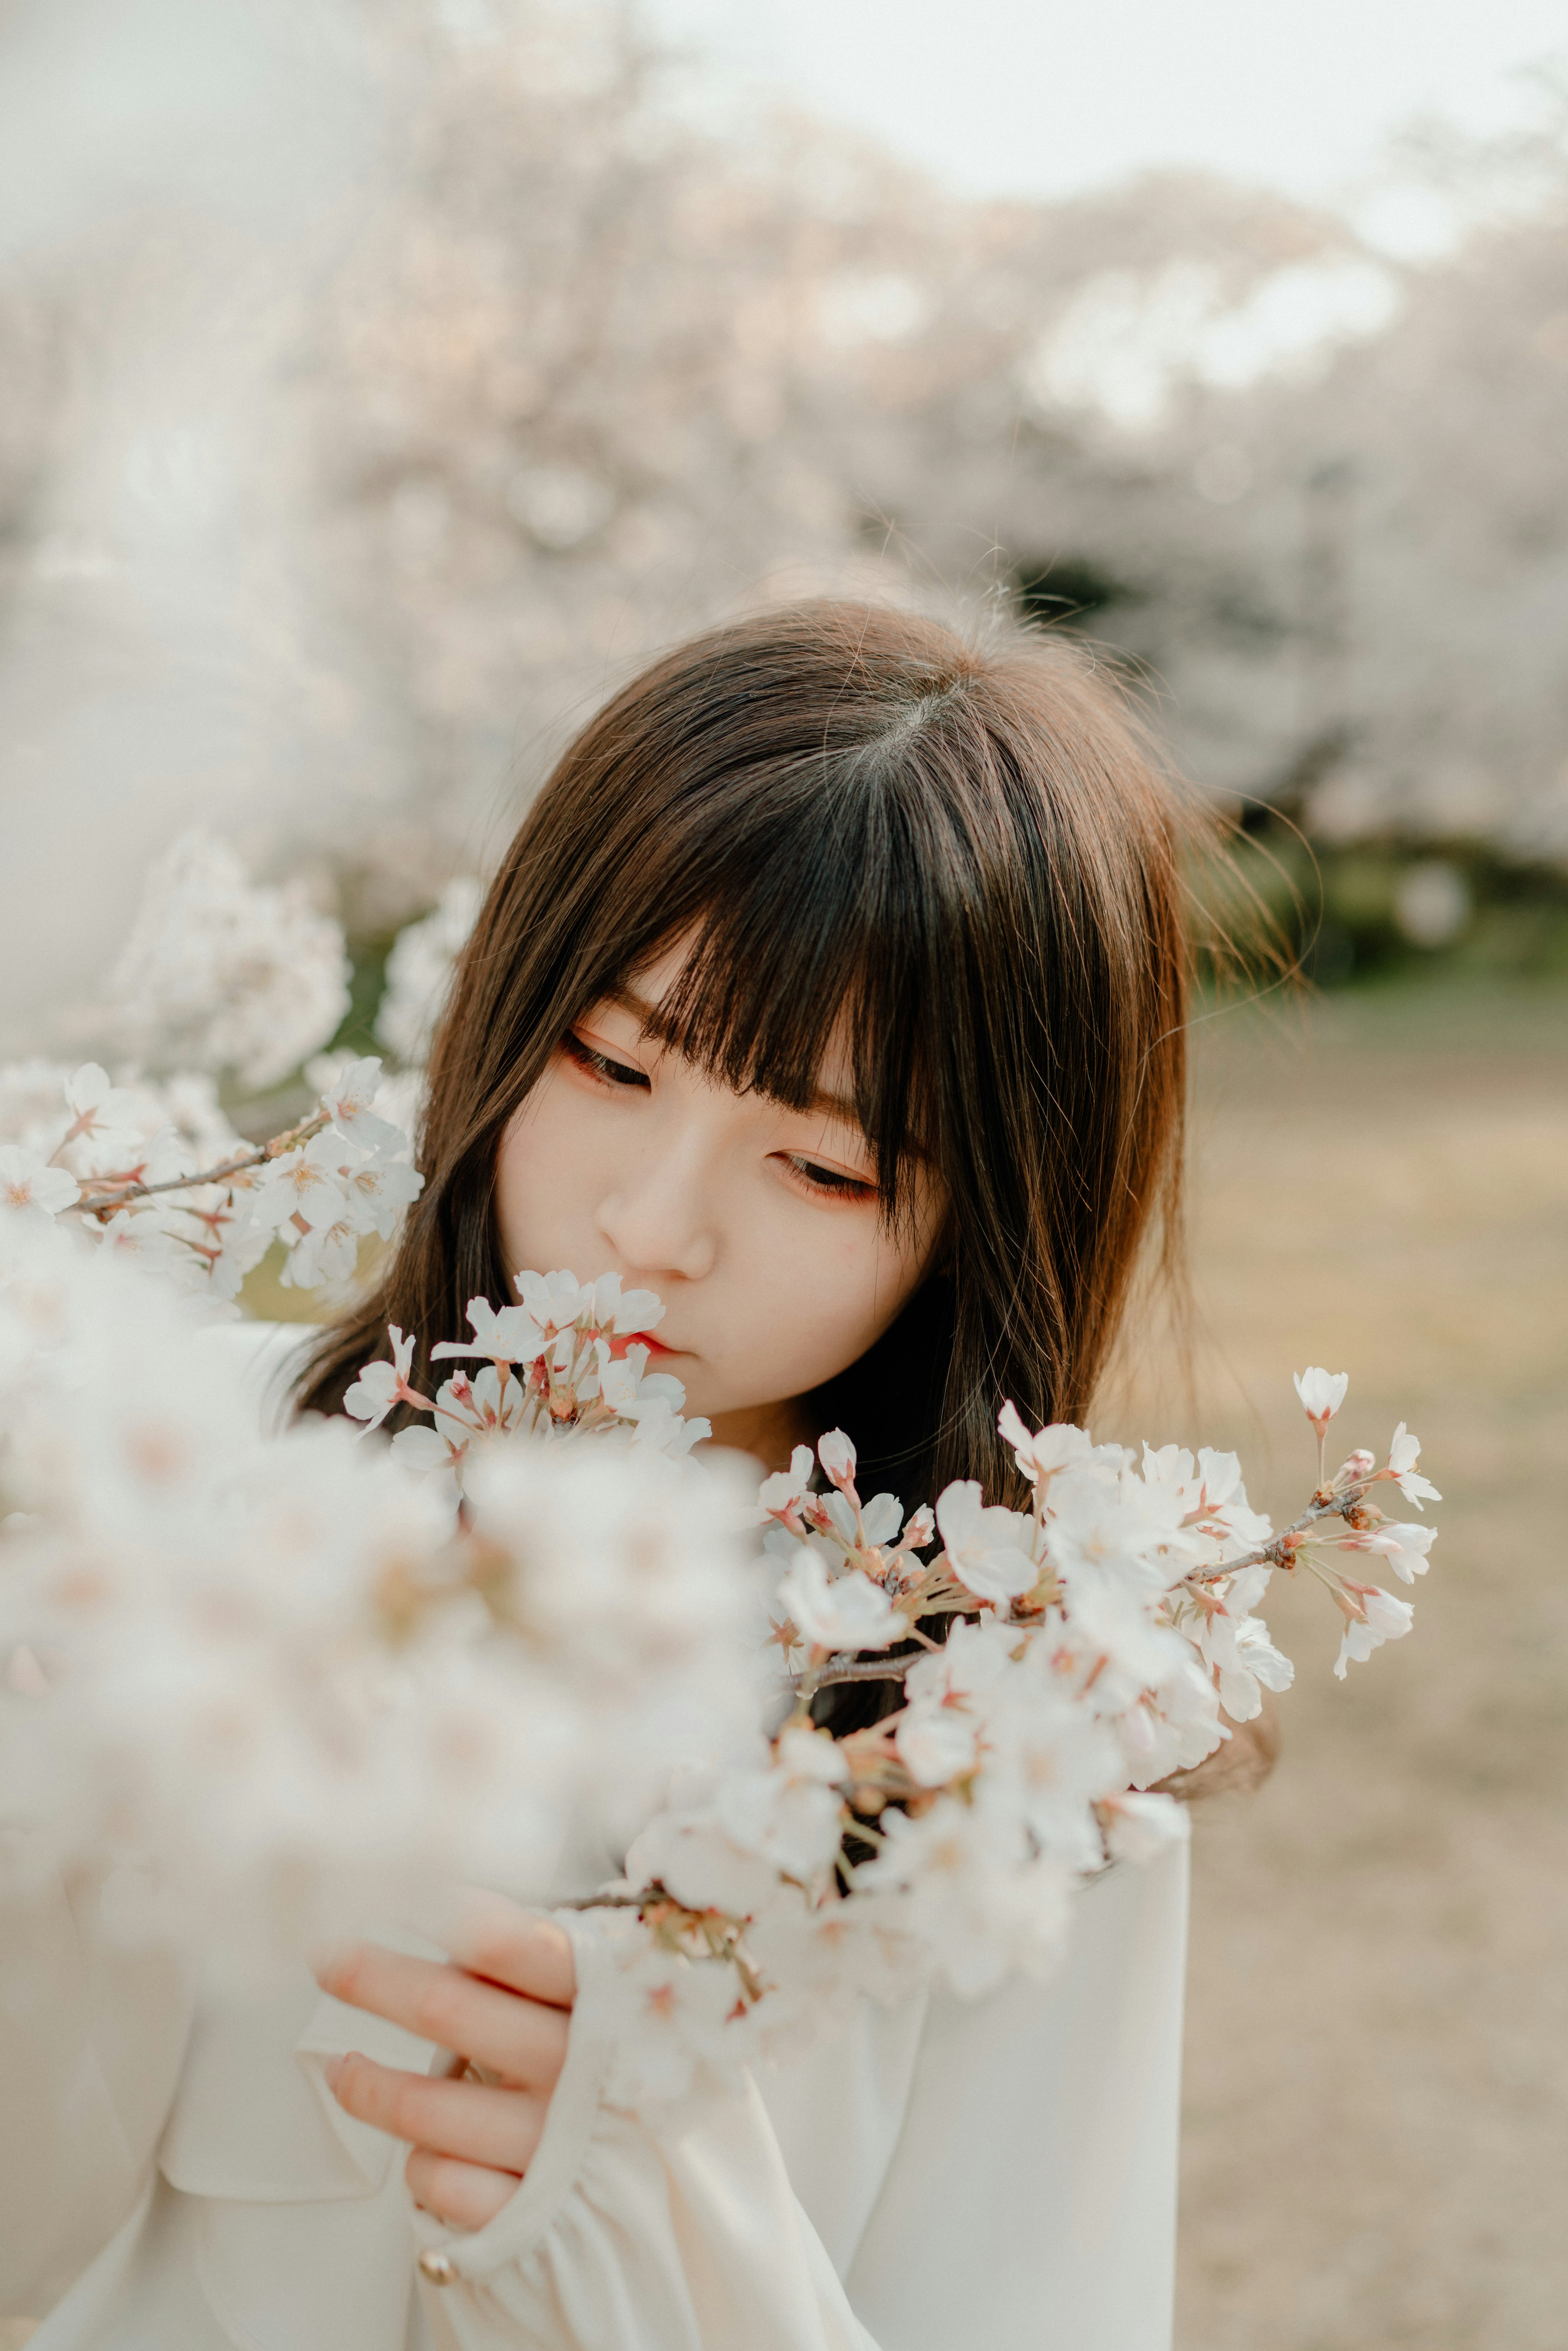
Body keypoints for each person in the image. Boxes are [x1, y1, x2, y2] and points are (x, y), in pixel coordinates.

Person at [1, 601, 1273, 2350]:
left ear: (989, 1220)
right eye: (609, 1063)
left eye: (821, 1168)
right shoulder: (171, 1488)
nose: (651, 1225)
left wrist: (662, 2194)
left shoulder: (1023, 1738)